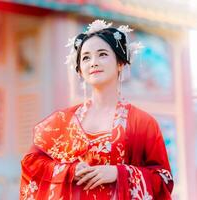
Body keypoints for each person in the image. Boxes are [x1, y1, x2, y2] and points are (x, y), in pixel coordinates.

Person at [19, 20, 174, 200]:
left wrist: (118, 173)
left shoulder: (142, 123)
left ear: (120, 63)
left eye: (102, 54)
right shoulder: (62, 121)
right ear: (80, 70)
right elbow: (32, 164)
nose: (93, 62)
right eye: (86, 57)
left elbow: (163, 179)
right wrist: (70, 170)